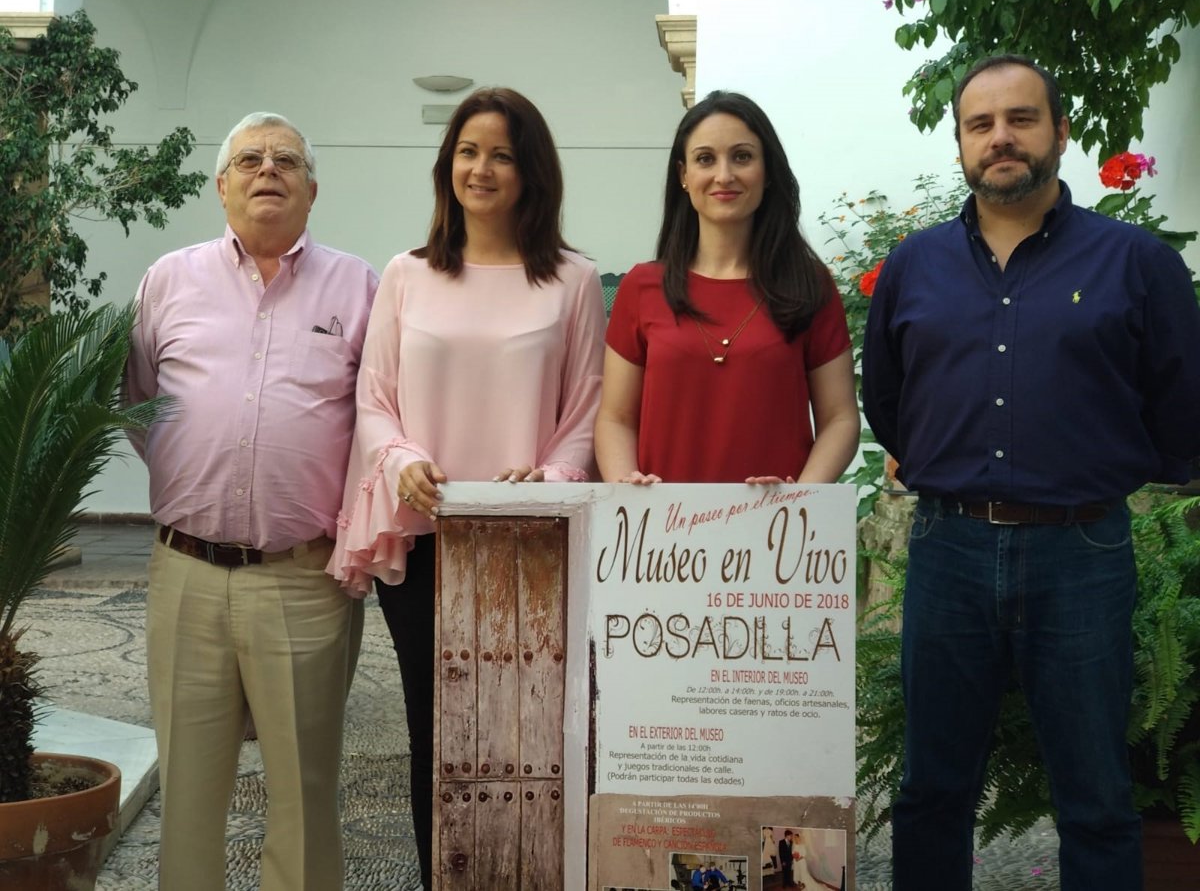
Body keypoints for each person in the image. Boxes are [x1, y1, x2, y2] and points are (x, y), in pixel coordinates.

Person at [862, 54, 1200, 891]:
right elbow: (889, 398)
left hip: (1081, 552)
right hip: (948, 549)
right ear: (960, 145)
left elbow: (1180, 401)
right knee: (931, 789)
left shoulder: (1137, 263)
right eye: (980, 124)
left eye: (1021, 118)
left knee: (1096, 796)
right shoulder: (914, 266)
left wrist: (1099, 465)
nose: (1001, 137)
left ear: (1061, 132)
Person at [329, 87, 606, 888]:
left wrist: (549, 477)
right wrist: (401, 459)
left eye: (502, 155)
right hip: (425, 536)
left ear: (531, 172)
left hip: (531, 541)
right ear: (447, 165)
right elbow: (373, 399)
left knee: (530, 730)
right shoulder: (407, 274)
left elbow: (586, 409)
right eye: (468, 152)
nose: (481, 169)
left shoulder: (574, 281)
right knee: (438, 733)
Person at [125, 112, 378, 891]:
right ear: (221, 184)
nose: (268, 170)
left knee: (303, 794)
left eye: (286, 160)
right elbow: (139, 406)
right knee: (187, 792)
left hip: (303, 579)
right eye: (250, 159)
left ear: (312, 189)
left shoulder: (359, 286)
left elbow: (376, 420)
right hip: (186, 575)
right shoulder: (169, 280)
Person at [595, 90, 858, 485]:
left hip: (775, 518)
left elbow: (839, 418)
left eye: (742, 157)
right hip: (661, 519)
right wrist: (626, 487)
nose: (724, 175)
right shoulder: (641, 286)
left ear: (768, 172)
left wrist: (799, 499)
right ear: (684, 176)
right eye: (705, 159)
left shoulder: (809, 285)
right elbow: (615, 417)